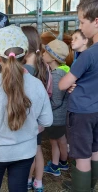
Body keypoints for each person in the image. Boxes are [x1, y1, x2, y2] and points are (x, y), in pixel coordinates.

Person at [0, 25, 53, 192]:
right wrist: (31, 128)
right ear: (26, 54)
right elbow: (47, 120)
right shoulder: (36, 85)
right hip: (25, 152)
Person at [58, 0, 98, 192]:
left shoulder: (88, 55)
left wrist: (69, 82)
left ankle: (80, 188)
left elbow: (63, 84)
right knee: (94, 151)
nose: (81, 27)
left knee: (81, 157)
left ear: (97, 21)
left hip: (81, 112)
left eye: (82, 23)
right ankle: (87, 186)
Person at [21, 26, 52, 192]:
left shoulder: (24, 71)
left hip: (28, 118)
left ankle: (27, 179)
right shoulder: (45, 66)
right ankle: (38, 182)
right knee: (38, 149)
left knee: (29, 151)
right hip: (41, 117)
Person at [42, 39, 70, 177]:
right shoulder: (65, 71)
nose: (42, 54)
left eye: (45, 52)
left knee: (54, 142)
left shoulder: (56, 75)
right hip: (63, 114)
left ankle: (54, 166)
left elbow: (56, 101)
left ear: (52, 58)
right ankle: (64, 163)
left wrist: (43, 108)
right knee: (62, 139)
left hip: (56, 115)